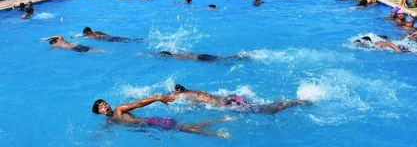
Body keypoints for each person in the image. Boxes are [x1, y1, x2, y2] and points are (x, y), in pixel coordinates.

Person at [91, 96, 233, 138]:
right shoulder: (110, 120)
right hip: (149, 127)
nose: (105, 106)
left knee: (185, 129)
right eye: (101, 107)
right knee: (185, 127)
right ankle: (221, 119)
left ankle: (216, 135)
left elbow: (139, 104)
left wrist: (158, 97)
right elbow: (106, 128)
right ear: (99, 112)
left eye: (104, 103)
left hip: (154, 122)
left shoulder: (119, 110)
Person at [169, 84, 311, 114]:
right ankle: (287, 101)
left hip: (230, 104)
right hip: (231, 98)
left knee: (269, 111)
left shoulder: (184, 96)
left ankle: (297, 102)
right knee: (261, 106)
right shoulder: (195, 92)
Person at [154, 51, 245, 62]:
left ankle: (239, 57)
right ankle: (237, 56)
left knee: (220, 60)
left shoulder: (176, 57)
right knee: (221, 58)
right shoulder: (177, 53)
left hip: (200, 58)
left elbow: (185, 59)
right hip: (201, 55)